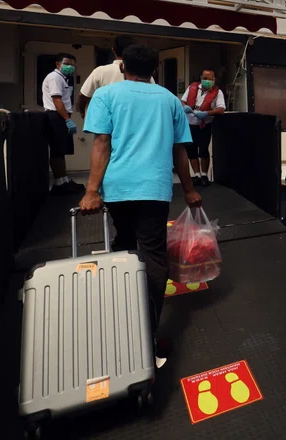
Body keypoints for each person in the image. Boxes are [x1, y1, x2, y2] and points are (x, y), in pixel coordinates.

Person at [79, 44, 202, 367]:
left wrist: (92, 191)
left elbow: (101, 145)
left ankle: (119, 326)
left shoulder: (107, 96)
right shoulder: (169, 100)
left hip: (117, 188)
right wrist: (189, 190)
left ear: (122, 67)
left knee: (123, 247)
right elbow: (180, 152)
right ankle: (145, 334)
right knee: (153, 255)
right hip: (155, 189)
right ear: (155, 70)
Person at [77, 35, 153, 117]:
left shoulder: (100, 71)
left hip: (104, 123)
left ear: (113, 50)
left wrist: (83, 113)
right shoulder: (145, 75)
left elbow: (83, 96)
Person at [41, 52, 84, 194]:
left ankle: (64, 179)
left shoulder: (63, 78)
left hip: (60, 117)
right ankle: (59, 182)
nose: (70, 67)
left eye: (72, 64)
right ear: (57, 64)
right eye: (67, 64)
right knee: (57, 151)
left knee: (61, 151)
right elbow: (57, 100)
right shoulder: (54, 77)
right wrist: (67, 119)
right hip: (56, 117)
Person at [181, 69, 226, 186]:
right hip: (190, 123)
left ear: (214, 79)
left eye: (210, 79)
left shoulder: (218, 92)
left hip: (204, 125)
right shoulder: (192, 87)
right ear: (201, 78)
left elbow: (221, 109)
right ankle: (196, 175)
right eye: (205, 78)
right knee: (191, 150)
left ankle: (204, 175)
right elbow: (182, 102)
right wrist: (185, 107)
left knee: (203, 150)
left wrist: (207, 113)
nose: (207, 81)